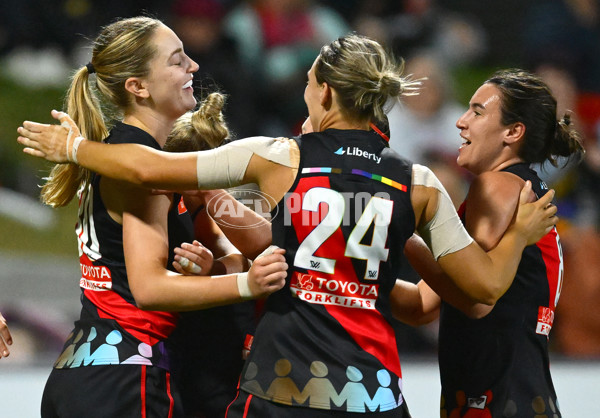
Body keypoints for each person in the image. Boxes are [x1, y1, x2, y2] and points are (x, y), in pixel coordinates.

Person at [18, 34, 557, 417]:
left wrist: (73, 147)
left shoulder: (276, 157)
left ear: (324, 93)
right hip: (373, 395)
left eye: (307, 83)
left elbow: (147, 167)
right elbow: (480, 291)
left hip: (281, 390)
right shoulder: (417, 184)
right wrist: (516, 237)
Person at [24, 16, 287, 418]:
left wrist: (214, 262)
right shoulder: (138, 169)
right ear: (138, 87)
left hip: (86, 370)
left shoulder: (121, 155)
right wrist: (245, 283)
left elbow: (252, 241)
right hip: (126, 378)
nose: (193, 68)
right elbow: (147, 288)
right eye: (177, 60)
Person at [387, 69, 584, 416]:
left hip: (494, 399)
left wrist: (405, 233)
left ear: (512, 132)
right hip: (521, 396)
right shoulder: (521, 190)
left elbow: (477, 299)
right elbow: (422, 304)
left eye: (477, 112)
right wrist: (349, 278)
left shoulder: (496, 187)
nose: (461, 122)